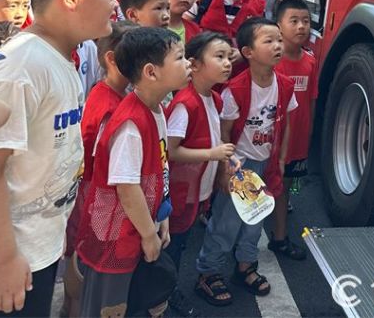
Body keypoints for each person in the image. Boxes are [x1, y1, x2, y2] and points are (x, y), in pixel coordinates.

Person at [0, 0, 115, 317]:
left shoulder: (57, 58)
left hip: (35, 249)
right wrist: (2, 259)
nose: (114, 2)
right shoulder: (21, 66)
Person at [76, 27, 190, 318]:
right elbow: (127, 189)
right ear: (151, 72)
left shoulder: (155, 108)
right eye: (180, 58)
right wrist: (149, 235)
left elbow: (158, 168)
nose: (188, 63)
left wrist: (160, 219)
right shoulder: (130, 124)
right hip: (115, 238)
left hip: (134, 229)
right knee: (109, 307)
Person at [194, 18, 296, 307]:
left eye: (279, 40)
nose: (278, 45)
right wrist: (225, 169)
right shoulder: (235, 90)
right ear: (248, 52)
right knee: (226, 222)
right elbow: (225, 132)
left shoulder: (285, 85)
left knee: (255, 220)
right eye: (269, 41)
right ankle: (208, 272)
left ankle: (245, 266)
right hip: (239, 166)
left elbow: (285, 124)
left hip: (267, 163)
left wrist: (282, 158)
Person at [62, 21, 137, 318]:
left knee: (79, 272)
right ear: (112, 59)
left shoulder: (104, 92)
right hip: (95, 201)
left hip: (90, 196)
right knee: (84, 276)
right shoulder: (111, 106)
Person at [164, 32, 237, 317]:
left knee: (180, 244)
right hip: (182, 191)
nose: (227, 63)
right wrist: (212, 154)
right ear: (194, 64)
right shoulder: (186, 103)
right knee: (172, 247)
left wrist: (225, 160)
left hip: (198, 189)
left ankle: (166, 291)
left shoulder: (215, 99)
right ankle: (165, 294)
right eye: (219, 57)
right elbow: (171, 151)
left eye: (229, 56)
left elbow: (214, 139)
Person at [264, 0, 315, 260]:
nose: (301, 26)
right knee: (261, 187)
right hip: (270, 140)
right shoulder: (271, 62)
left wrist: (309, 135)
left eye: (305, 21)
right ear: (279, 26)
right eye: (293, 21)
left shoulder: (310, 61)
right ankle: (248, 244)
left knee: (283, 187)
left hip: (296, 141)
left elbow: (312, 101)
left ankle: (279, 237)